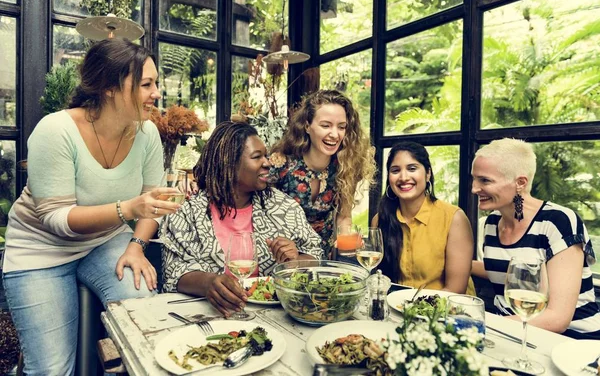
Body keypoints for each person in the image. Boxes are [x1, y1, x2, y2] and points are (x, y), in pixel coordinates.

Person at [1, 38, 181, 375]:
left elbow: (151, 202)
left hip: (103, 242)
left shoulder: (148, 134)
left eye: (155, 83)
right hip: (40, 251)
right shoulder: (56, 130)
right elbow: (56, 219)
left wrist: (137, 246)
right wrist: (128, 209)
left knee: (143, 319)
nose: (157, 93)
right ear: (110, 88)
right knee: (52, 370)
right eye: (146, 84)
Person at [160, 121, 323, 317]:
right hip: (206, 315)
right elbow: (174, 271)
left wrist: (295, 261)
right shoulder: (188, 211)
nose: (267, 163)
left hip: (275, 316)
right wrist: (207, 283)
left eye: (265, 155)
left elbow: (315, 255)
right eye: (257, 157)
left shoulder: (283, 207)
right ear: (229, 164)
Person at [472, 138, 600, 338]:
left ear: (520, 183)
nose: (474, 188)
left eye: (484, 180)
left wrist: (479, 326)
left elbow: (557, 318)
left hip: (571, 341)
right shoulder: (492, 223)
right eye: (474, 179)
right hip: (512, 334)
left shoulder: (558, 222)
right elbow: (509, 271)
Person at [269, 90, 376, 259]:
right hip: (281, 258)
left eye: (341, 127)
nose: (334, 134)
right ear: (307, 126)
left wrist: (345, 241)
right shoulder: (281, 164)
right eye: (325, 125)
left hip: (321, 258)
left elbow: (344, 217)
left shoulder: (346, 166)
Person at [373, 142, 474, 294]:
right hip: (396, 308)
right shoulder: (380, 219)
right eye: (395, 170)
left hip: (447, 311)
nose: (404, 177)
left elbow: (455, 290)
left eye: (412, 168)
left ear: (428, 174)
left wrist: (413, 310)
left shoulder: (454, 218)